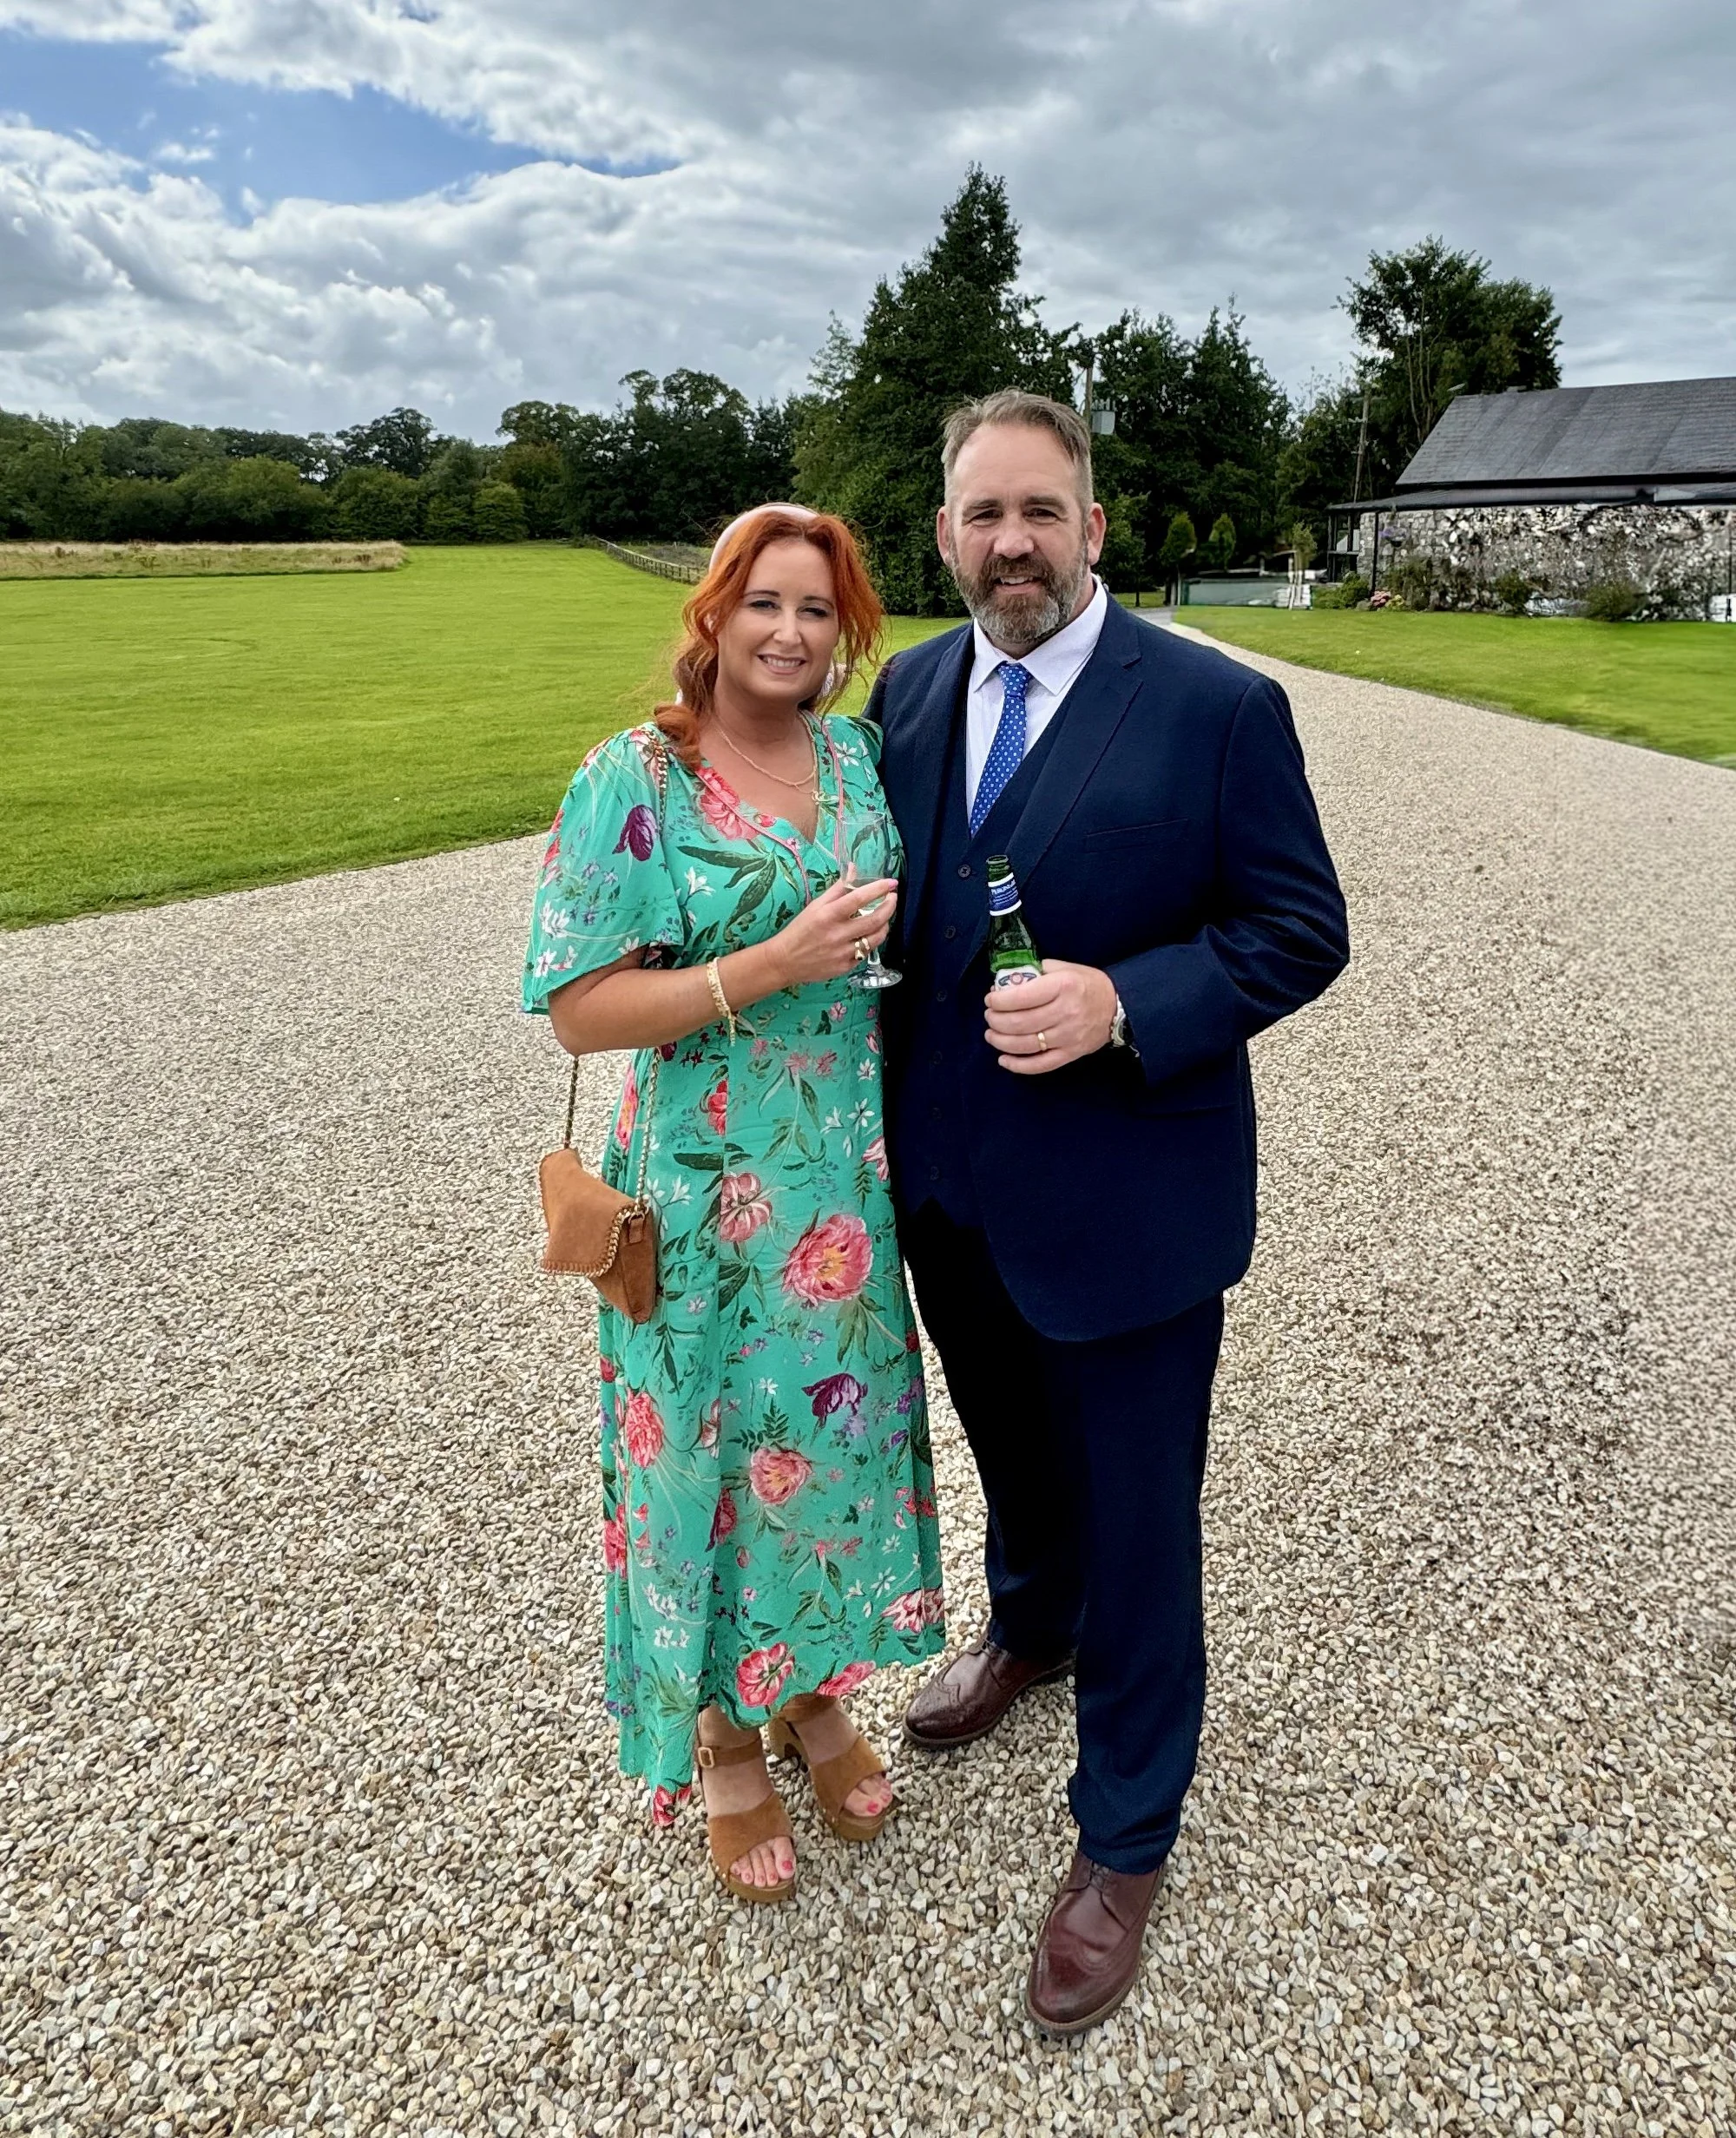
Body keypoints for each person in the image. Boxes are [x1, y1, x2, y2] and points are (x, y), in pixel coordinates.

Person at [868, 391, 1349, 2030]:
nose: (1012, 543)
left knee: (1143, 1521)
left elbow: (1301, 928)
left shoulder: (1216, 705)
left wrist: (1127, 1000)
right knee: (1009, 1448)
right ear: (946, 533)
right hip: (948, 1188)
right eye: (983, 514)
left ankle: (1126, 1828)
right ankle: (1030, 1625)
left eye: (1040, 511)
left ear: (1093, 524)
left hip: (1133, 1198)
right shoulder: (910, 690)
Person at [523, 506, 944, 1904]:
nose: (790, 631)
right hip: (702, 1193)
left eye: (818, 609)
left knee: (819, 1449)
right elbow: (579, 1008)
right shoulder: (639, 776)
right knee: (705, 1464)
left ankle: (809, 1686)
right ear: (714, 612)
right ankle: (719, 1728)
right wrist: (768, 962)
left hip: (840, 1186)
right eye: (765, 602)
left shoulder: (856, 757)